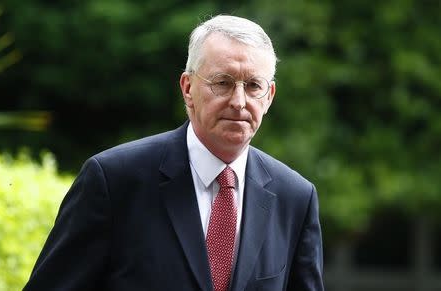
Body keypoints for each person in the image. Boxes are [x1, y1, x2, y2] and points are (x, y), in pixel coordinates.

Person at [23, 15, 324, 291]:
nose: (239, 101)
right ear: (188, 87)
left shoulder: (295, 197)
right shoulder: (114, 181)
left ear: (269, 96)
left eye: (253, 85)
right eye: (223, 83)